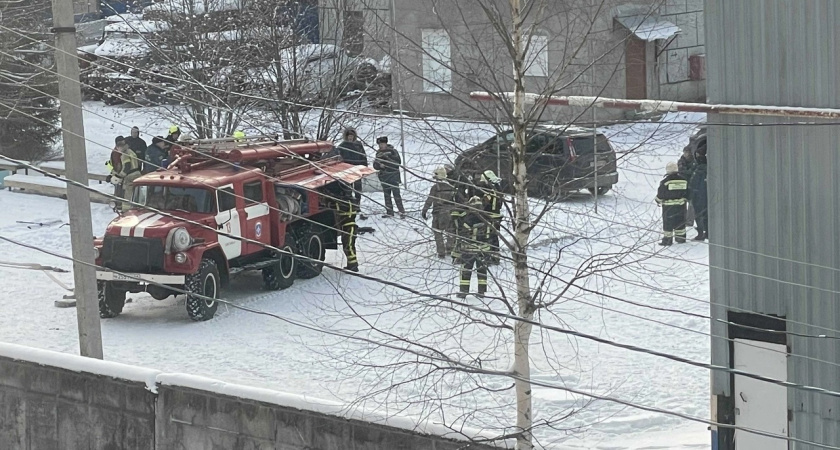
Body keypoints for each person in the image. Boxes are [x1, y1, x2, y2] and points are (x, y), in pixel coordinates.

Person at [457, 196, 492, 298]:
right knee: (482, 270)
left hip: (469, 249)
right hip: (484, 249)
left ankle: (464, 292)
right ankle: (481, 292)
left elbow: (463, 233)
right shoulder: (486, 217)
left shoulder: (468, 218)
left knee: (466, 270)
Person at [421, 166, 457, 258]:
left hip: (438, 213)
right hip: (450, 212)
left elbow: (430, 200)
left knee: (438, 232)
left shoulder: (435, 187)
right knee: (451, 231)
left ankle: (441, 252)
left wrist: (424, 210)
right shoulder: (451, 186)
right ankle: (450, 248)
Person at [655, 161, 689, 246]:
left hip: (668, 207)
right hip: (681, 207)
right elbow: (688, 193)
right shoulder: (684, 181)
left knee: (668, 224)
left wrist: (658, 200)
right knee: (680, 222)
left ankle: (667, 240)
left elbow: (661, 194)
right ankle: (681, 238)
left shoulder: (665, 182)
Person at [336, 128, 368, 217]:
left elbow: (363, 156)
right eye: (349, 136)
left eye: (352, 136)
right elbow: (339, 159)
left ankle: (357, 205)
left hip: (357, 170)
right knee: (348, 190)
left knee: (358, 189)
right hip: (347, 171)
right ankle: (351, 206)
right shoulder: (342, 146)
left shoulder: (358, 145)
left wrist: (364, 167)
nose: (350, 138)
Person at [372, 136, 405, 218]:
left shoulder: (393, 151)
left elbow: (397, 162)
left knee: (396, 195)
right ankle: (389, 211)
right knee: (387, 195)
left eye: (382, 144)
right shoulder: (378, 153)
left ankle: (401, 211)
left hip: (393, 175)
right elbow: (375, 165)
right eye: (379, 144)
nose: (381, 146)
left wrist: (386, 163)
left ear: (386, 144)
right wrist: (379, 166)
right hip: (384, 176)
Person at [333, 181, 359, 271]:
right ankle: (351, 264)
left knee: (348, 246)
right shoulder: (352, 200)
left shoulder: (344, 202)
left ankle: (353, 265)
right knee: (349, 246)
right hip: (349, 226)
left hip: (349, 227)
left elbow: (335, 207)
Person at [479, 169, 503, 265]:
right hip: (497, 216)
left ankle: (488, 258)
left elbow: (485, 204)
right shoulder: (498, 189)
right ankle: (495, 257)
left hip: (490, 216)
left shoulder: (488, 192)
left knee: (488, 236)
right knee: (494, 237)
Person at [115, 137, 141, 211]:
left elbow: (127, 166)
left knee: (128, 196)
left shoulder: (124, 154)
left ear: (119, 147)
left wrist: (120, 176)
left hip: (130, 176)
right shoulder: (131, 151)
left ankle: (126, 212)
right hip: (137, 174)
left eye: (118, 149)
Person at [689, 149, 708, 241]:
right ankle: (706, 232)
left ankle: (701, 233)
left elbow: (694, 183)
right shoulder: (705, 168)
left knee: (699, 214)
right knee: (705, 214)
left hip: (699, 194)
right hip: (704, 194)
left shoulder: (699, 170)